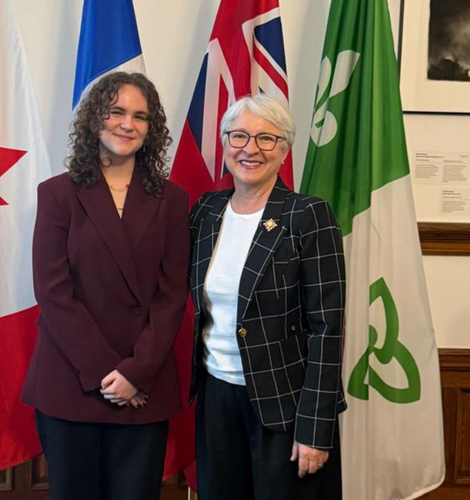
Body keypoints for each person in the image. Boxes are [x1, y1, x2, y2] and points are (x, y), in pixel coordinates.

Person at [21, 72, 189, 500]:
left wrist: (134, 373)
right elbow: (53, 292)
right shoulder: (57, 194)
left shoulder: (172, 200)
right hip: (71, 381)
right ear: (95, 119)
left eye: (140, 116)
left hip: (143, 384)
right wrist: (104, 374)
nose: (127, 124)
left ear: (151, 128)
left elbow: (172, 296)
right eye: (116, 112)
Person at [188, 94, 347, 500]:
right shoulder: (206, 211)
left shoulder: (307, 215)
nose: (250, 149)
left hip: (285, 405)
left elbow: (327, 329)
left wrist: (315, 428)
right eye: (239, 136)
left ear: (284, 149)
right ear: (225, 142)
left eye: (266, 138)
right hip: (216, 395)